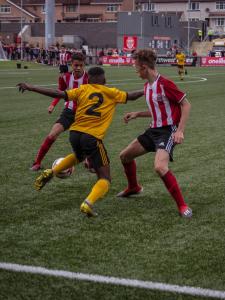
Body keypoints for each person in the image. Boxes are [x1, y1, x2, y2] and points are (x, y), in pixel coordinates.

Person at [17, 67, 144, 217]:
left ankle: (52, 171)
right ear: (104, 80)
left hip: (75, 133)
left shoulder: (82, 89)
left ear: (88, 80)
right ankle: (88, 203)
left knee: (80, 156)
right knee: (105, 178)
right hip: (92, 137)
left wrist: (31, 87)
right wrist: (146, 89)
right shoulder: (111, 93)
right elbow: (132, 96)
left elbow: (58, 93)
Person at [117, 49, 192, 218]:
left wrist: (180, 131)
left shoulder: (165, 84)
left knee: (159, 167)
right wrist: (137, 114)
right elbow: (158, 110)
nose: (136, 71)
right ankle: (133, 187)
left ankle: (182, 205)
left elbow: (186, 105)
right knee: (125, 156)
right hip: (153, 130)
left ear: (144, 67)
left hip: (168, 131)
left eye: (136, 68)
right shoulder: (147, 86)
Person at [30, 52, 88, 171]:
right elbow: (60, 92)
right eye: (76, 65)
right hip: (69, 112)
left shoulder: (89, 78)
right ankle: (37, 162)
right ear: (71, 64)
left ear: (84, 65)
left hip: (85, 114)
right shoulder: (65, 77)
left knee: (87, 139)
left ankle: (89, 161)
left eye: (81, 65)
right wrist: (53, 105)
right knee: (52, 134)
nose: (78, 68)